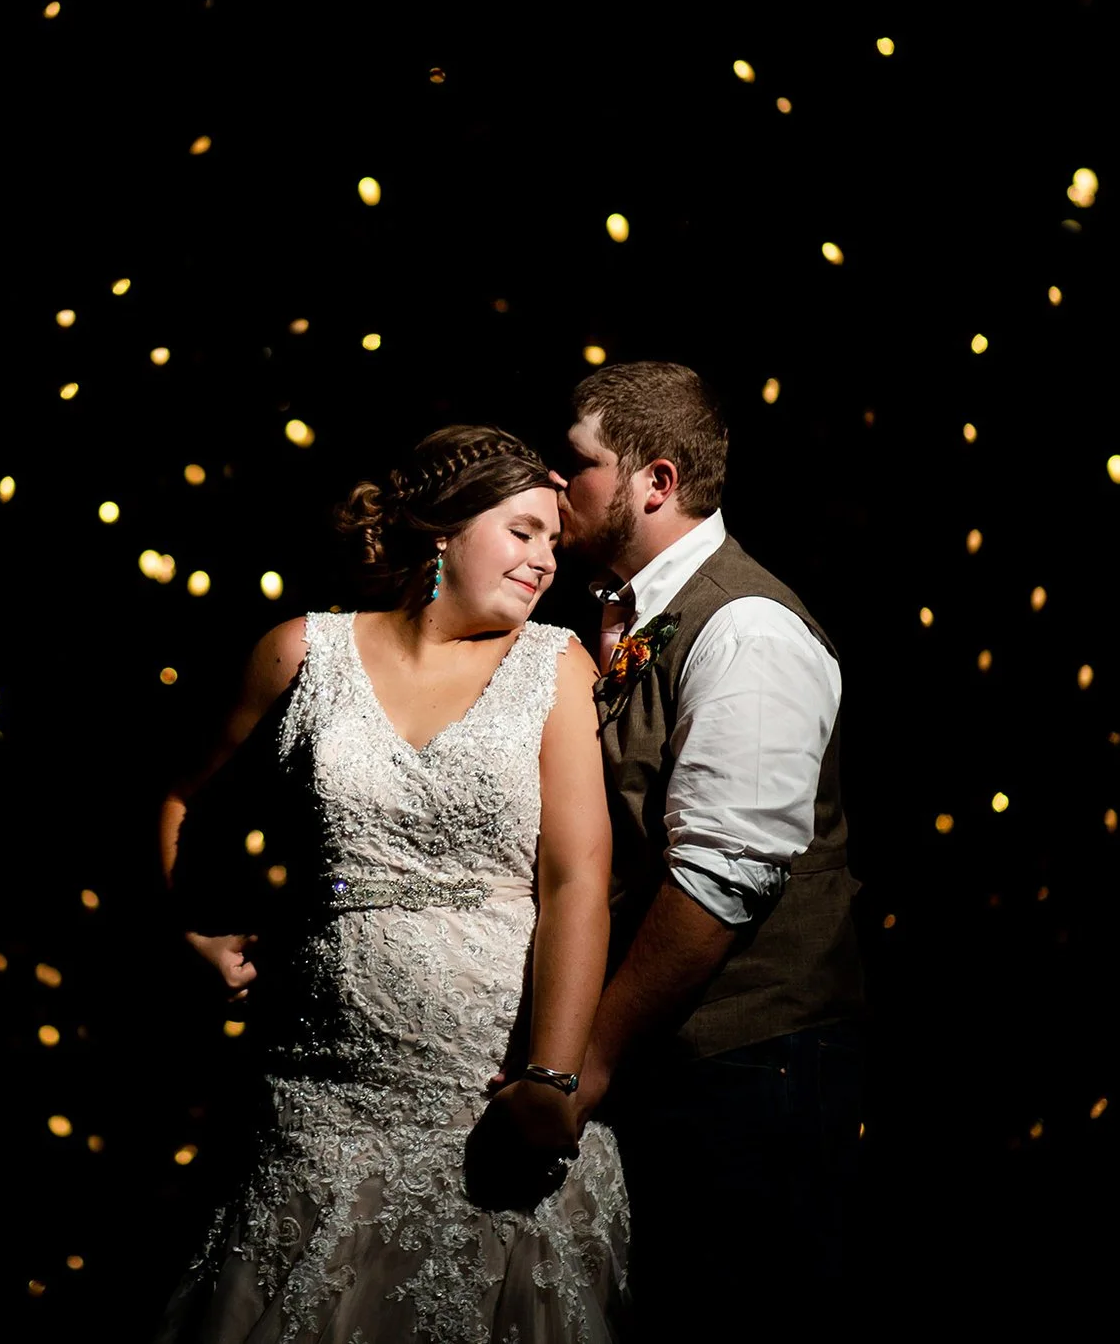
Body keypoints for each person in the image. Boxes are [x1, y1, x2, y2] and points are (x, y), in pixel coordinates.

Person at [151, 424, 632, 1343]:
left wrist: (551, 1078)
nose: (543, 561)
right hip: (320, 1102)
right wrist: (186, 929)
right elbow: (178, 791)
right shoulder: (303, 652)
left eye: (555, 545)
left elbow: (578, 878)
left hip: (490, 1104)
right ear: (444, 529)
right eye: (524, 531)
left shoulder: (553, 663)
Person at [546, 361, 865, 1291]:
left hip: (751, 1067)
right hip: (676, 1063)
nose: (557, 484)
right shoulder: (614, 615)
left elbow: (722, 875)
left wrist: (586, 1064)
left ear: (657, 482)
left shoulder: (748, 628)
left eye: (580, 463)